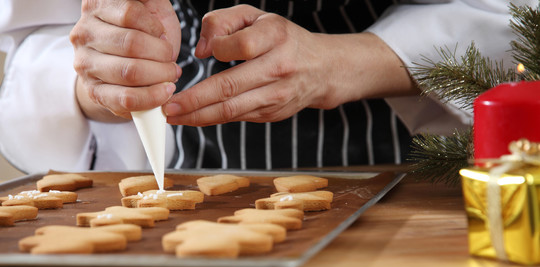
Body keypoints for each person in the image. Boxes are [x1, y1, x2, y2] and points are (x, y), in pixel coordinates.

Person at [0, 0, 534, 174]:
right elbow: (36, 36)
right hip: (175, 191)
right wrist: (103, 78)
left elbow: (521, 19)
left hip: (400, 178)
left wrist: (354, 60)